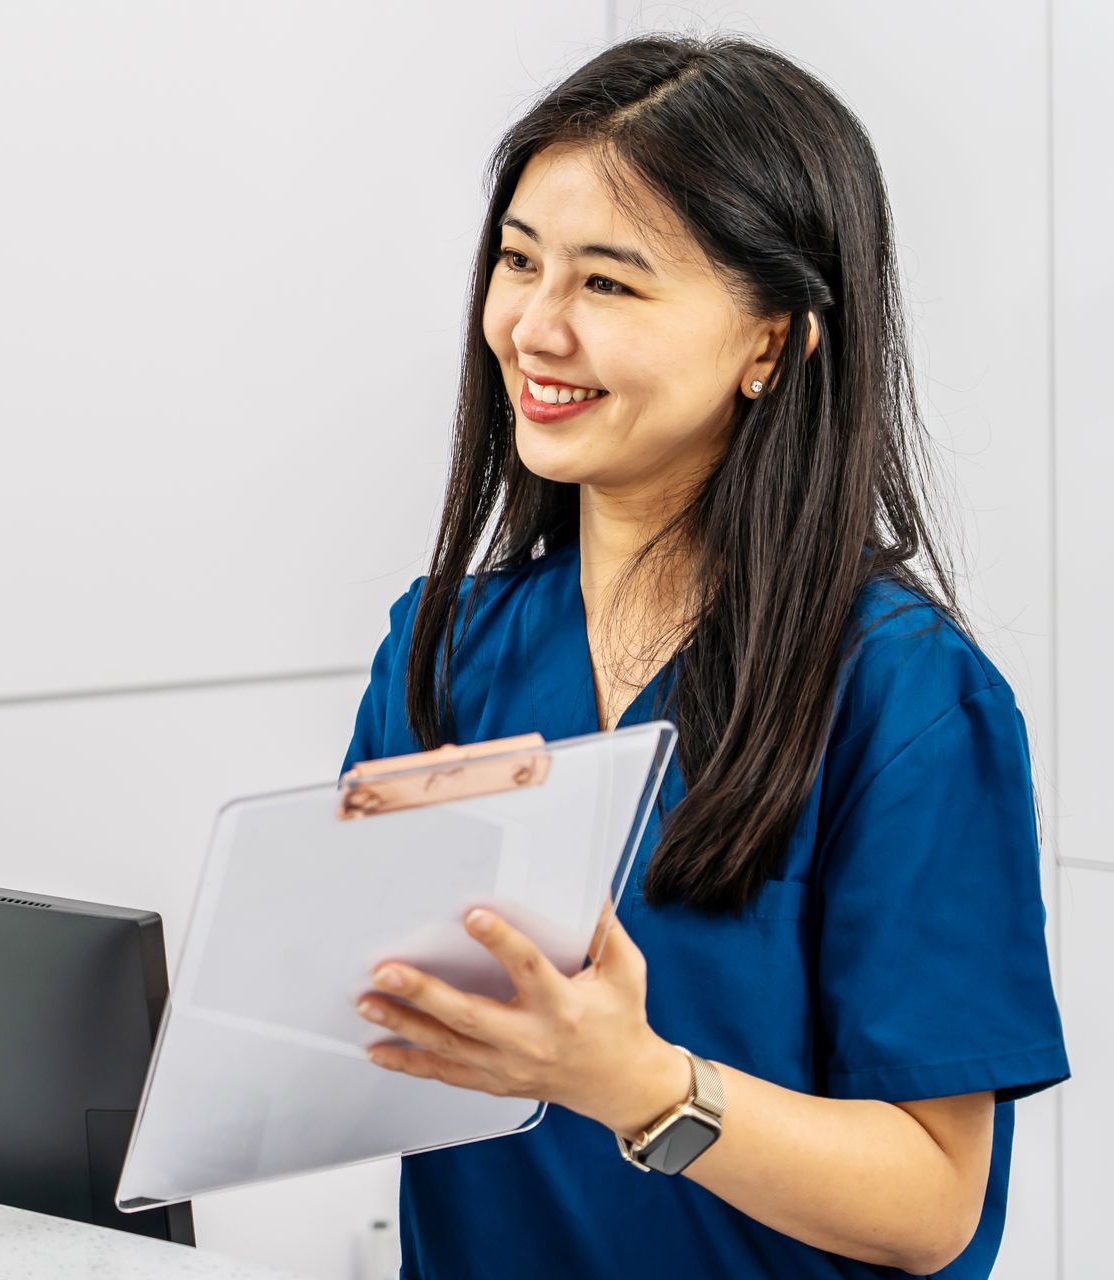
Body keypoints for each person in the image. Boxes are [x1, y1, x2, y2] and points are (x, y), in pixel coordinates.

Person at [341, 32, 1069, 1279]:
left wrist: (639, 1083)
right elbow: (367, 1029)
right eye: (520, 262)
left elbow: (936, 1202)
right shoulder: (443, 643)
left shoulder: (904, 695)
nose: (535, 326)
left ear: (772, 342)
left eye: (611, 285)